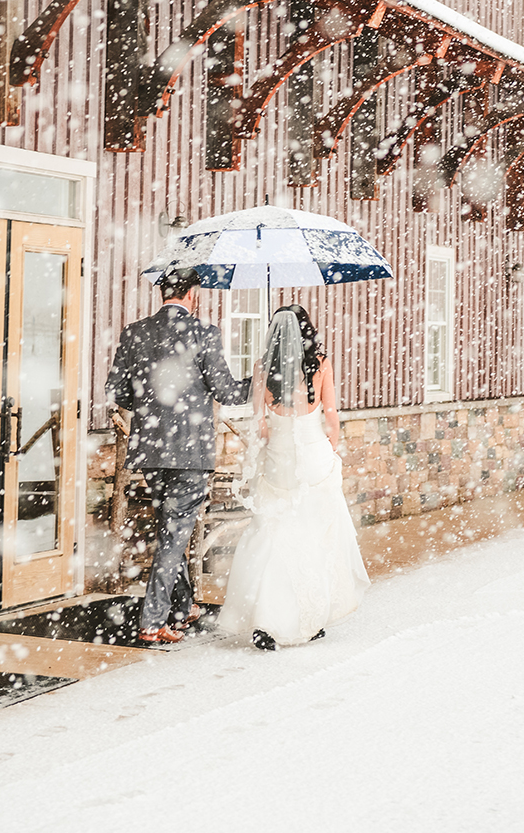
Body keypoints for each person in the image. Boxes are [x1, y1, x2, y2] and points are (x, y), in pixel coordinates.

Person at [106, 267, 251, 643]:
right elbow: (228, 392)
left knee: (170, 531)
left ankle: (185, 608)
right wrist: (261, 376)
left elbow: (118, 392)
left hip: (151, 451)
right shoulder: (204, 333)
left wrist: (153, 405)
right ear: (193, 294)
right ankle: (152, 621)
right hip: (189, 452)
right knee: (173, 536)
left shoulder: (134, 332)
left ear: (163, 293)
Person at [218, 305, 370, 649]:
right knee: (316, 536)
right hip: (314, 459)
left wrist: (277, 444)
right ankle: (312, 616)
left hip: (279, 463)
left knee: (273, 538)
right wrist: (329, 448)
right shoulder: (320, 364)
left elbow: (259, 426)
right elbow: (330, 418)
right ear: (308, 332)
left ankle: (266, 621)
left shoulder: (262, 368)